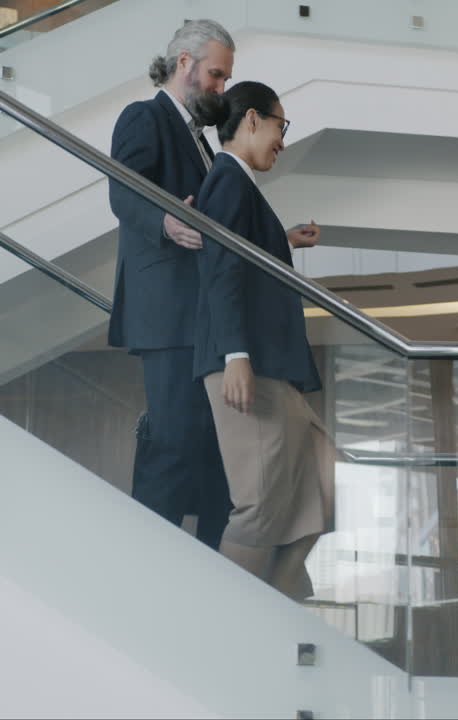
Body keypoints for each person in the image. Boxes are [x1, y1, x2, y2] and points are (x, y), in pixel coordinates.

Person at [108, 21, 322, 550]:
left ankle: (206, 572)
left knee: (209, 460)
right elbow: (122, 190)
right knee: (174, 446)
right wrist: (165, 221)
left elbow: (221, 233)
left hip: (198, 323)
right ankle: (146, 558)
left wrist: (279, 239)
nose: (221, 89)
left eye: (227, 79)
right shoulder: (145, 117)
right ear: (184, 62)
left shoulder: (202, 142)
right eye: (216, 75)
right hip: (168, 318)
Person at [192, 82, 334, 599]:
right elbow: (222, 268)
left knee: (322, 483)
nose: (282, 140)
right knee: (259, 504)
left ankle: (274, 599)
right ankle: (235, 617)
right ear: (253, 119)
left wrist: (284, 239)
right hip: (248, 362)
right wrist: (235, 355)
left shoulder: (239, 184)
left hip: (272, 364)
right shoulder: (228, 179)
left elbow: (244, 254)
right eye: (281, 127)